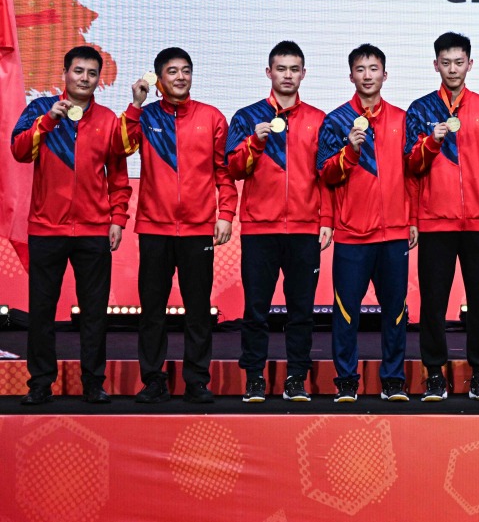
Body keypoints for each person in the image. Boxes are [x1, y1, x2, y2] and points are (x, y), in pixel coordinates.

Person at [10, 46, 131, 405]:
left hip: (94, 231)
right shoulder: (39, 110)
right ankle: (40, 383)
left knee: (94, 313)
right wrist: (48, 120)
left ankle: (94, 382)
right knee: (42, 311)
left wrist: (118, 218)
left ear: (98, 80)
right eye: (78, 71)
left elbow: (119, 177)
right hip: (46, 229)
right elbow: (18, 151)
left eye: (92, 74)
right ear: (65, 73)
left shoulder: (109, 120)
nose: (84, 79)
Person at [119, 47, 236, 404]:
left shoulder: (212, 117)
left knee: (198, 309)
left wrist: (226, 215)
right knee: (151, 310)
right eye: (172, 71)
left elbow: (224, 172)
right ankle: (153, 379)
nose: (181, 77)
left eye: (186, 70)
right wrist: (135, 105)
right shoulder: (146, 116)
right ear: (158, 79)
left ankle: (197, 380)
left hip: (199, 228)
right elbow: (122, 147)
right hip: (154, 228)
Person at [405, 32, 479, 402]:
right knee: (433, 302)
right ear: (436, 65)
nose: (452, 68)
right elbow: (412, 167)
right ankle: (434, 373)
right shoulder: (419, 110)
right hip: (436, 222)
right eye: (445, 62)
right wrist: (430, 142)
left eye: (458, 62)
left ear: (469, 64)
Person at [227, 41, 332, 403]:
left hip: (304, 229)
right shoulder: (246, 116)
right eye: (280, 69)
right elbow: (233, 169)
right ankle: (255, 377)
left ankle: (296, 378)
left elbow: (326, 175)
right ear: (268, 72)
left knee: (301, 311)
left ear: (303, 73)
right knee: (256, 309)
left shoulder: (319, 120)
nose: (287, 75)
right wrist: (254, 143)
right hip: (260, 229)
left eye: (294, 69)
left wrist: (327, 219)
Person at [316, 44, 415, 403]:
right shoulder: (336, 120)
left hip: (393, 235)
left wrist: (412, 220)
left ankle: (393, 380)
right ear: (351, 76)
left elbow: (412, 176)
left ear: (385, 75)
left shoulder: (403, 119)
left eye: (374, 69)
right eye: (361, 69)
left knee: (396, 311)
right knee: (346, 312)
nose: (368, 75)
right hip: (352, 235)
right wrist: (350, 152)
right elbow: (325, 174)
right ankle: (346, 380)